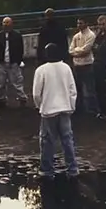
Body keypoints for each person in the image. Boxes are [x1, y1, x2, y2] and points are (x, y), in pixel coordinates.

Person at [32, 43, 78, 179]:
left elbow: (36, 94)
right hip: (65, 108)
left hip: (48, 110)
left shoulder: (41, 70)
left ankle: (47, 170)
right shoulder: (66, 68)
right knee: (67, 140)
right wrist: (71, 106)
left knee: (47, 141)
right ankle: (72, 168)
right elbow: (72, 90)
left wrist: (40, 106)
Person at [0, 17, 28, 107]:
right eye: (4, 23)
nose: (6, 25)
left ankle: (22, 98)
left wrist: (18, 61)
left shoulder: (17, 35)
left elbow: (21, 49)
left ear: (12, 24)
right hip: (2, 62)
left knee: (17, 81)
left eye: (8, 23)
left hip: (13, 62)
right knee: (0, 82)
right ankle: (0, 99)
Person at [69, 17, 97, 115]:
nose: (79, 25)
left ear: (86, 23)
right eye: (78, 23)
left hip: (87, 64)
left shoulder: (91, 35)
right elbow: (70, 50)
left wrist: (76, 50)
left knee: (90, 88)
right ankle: (80, 108)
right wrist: (78, 51)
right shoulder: (76, 36)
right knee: (77, 87)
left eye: (81, 23)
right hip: (77, 64)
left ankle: (92, 109)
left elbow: (86, 50)